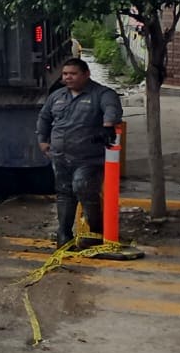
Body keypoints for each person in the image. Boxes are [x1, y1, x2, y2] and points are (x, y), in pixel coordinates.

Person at [37, 58, 123, 248]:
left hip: (89, 158)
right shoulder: (57, 96)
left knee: (83, 188)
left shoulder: (101, 94)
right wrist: (43, 140)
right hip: (60, 156)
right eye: (65, 74)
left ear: (86, 74)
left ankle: (95, 232)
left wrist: (108, 124)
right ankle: (64, 234)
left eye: (73, 74)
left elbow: (112, 108)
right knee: (64, 194)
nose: (68, 77)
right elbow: (44, 117)